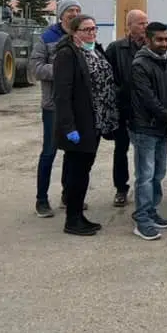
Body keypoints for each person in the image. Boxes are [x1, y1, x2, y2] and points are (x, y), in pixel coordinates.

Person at [53, 14, 118, 236]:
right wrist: (69, 127)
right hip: (79, 124)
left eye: (94, 29)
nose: (91, 33)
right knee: (77, 172)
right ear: (74, 32)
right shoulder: (67, 54)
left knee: (84, 169)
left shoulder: (94, 49)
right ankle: (72, 219)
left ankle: (78, 214)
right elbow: (62, 94)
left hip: (96, 122)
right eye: (86, 29)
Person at [128, 21, 167, 241]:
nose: (164, 43)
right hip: (144, 129)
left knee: (158, 174)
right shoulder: (140, 64)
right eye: (159, 39)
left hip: (161, 128)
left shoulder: (164, 63)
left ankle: (151, 210)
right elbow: (147, 98)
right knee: (145, 176)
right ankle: (141, 220)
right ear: (148, 40)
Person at [30, 0, 81, 218]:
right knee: (49, 152)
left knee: (72, 152)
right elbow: (35, 67)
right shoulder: (47, 38)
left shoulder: (80, 36)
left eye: (78, 10)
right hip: (53, 106)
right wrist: (62, 70)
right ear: (61, 14)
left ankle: (68, 195)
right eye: (70, 10)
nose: (74, 13)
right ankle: (41, 200)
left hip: (76, 106)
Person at [105, 8, 148, 207]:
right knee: (120, 149)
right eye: (140, 23)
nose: (145, 27)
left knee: (145, 151)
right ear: (129, 26)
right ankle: (121, 188)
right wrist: (119, 93)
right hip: (123, 109)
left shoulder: (152, 47)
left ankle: (146, 188)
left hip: (145, 111)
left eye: (146, 23)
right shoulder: (115, 49)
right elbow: (106, 78)